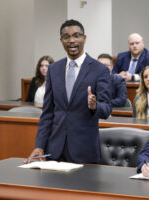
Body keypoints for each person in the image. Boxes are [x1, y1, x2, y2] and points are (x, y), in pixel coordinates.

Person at [24, 19, 111, 164]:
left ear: (84, 38)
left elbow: (107, 109)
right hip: (55, 150)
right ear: (61, 40)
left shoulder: (99, 70)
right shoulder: (53, 69)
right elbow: (48, 113)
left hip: (84, 151)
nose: (71, 40)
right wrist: (39, 145)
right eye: (66, 37)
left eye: (76, 36)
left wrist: (95, 106)